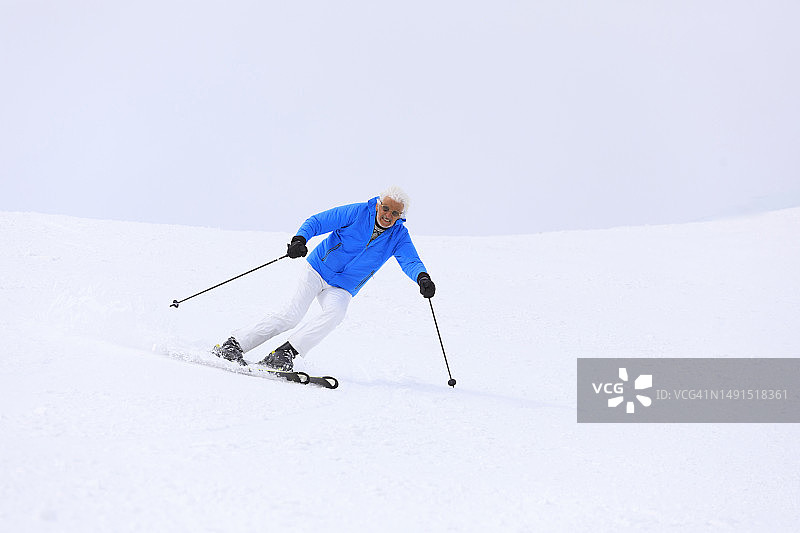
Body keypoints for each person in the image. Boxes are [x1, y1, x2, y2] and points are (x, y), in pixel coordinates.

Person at [213, 186, 436, 371]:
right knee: (291, 316)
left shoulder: (399, 236)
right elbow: (319, 221)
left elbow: (410, 260)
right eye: (386, 209)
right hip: (317, 269)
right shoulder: (358, 212)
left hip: (343, 286)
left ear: (401, 216)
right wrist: (300, 239)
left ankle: (283, 354)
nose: (388, 215)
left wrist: (422, 278)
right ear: (378, 205)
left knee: (335, 313)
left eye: (395, 213)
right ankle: (234, 345)